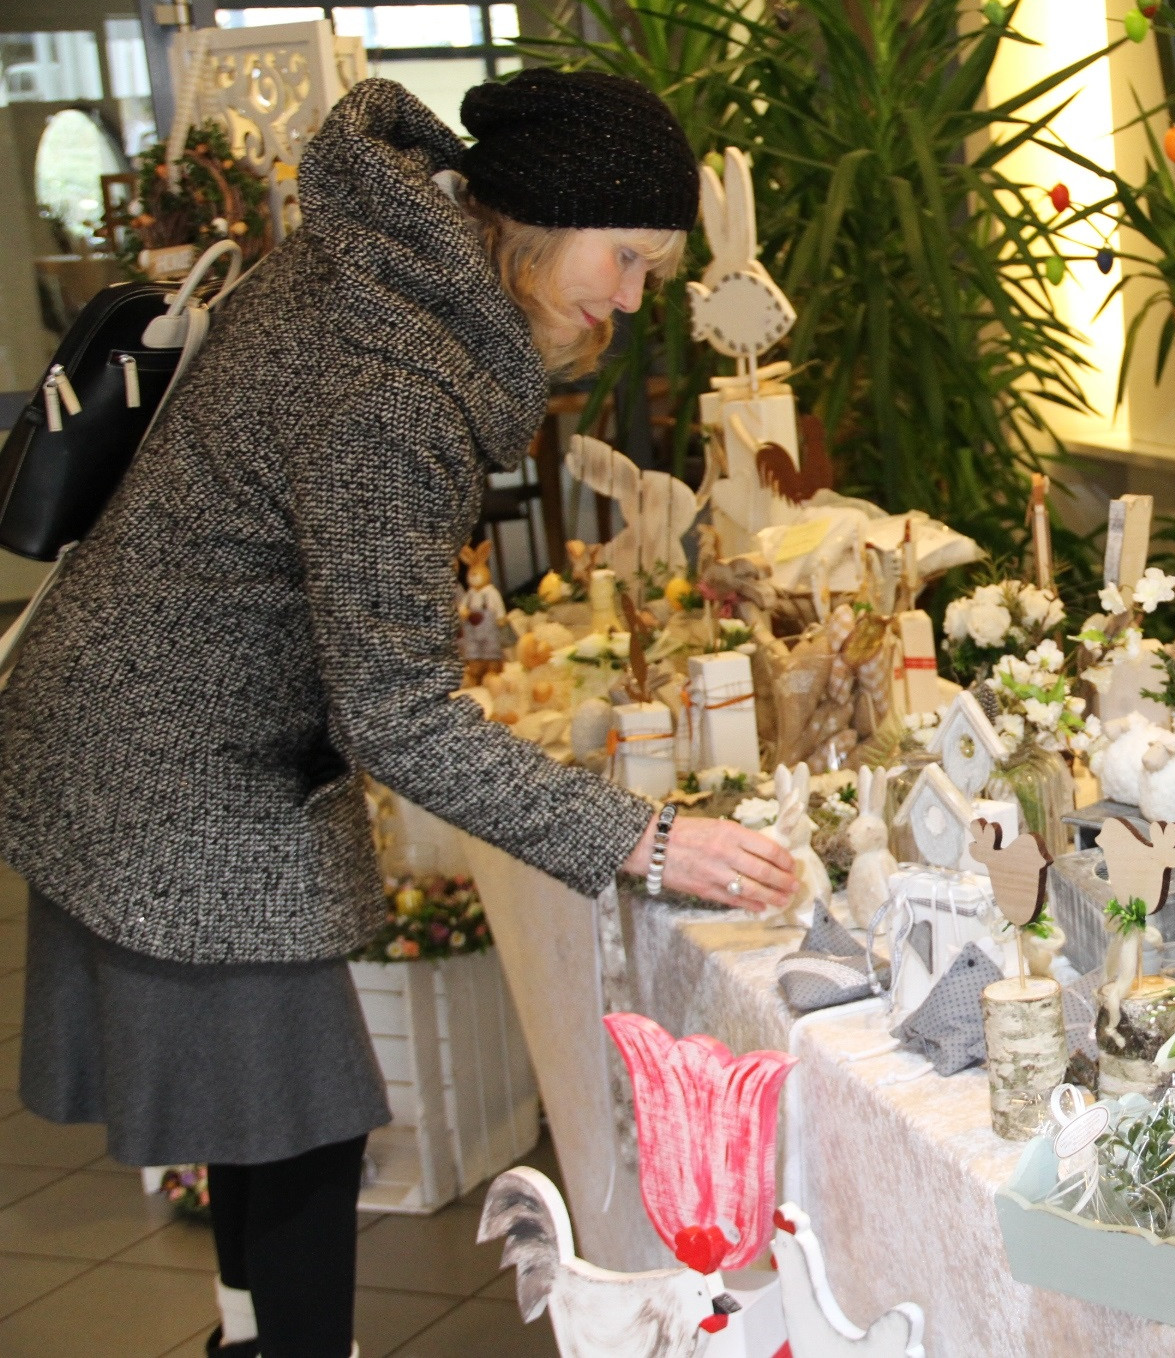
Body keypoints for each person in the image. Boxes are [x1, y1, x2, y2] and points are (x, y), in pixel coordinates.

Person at [0, 72, 795, 1358]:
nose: (636, 295)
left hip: (162, 717)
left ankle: (247, 1336)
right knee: (305, 1114)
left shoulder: (380, 264)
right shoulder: (394, 374)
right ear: (537, 222)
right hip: (167, 757)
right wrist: (647, 841)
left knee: (273, 1107)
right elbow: (396, 715)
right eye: (628, 257)